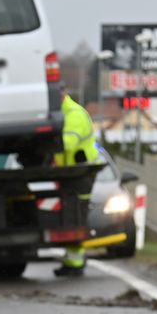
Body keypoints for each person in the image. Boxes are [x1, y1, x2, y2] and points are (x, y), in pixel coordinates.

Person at [53, 86, 101, 278]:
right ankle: (72, 259)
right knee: (71, 215)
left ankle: (76, 262)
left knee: (76, 216)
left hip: (82, 173)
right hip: (72, 173)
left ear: (62, 95)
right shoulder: (62, 113)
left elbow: (67, 144)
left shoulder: (73, 114)